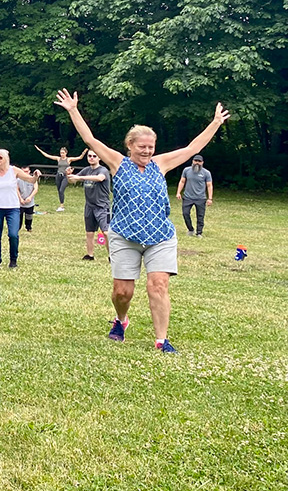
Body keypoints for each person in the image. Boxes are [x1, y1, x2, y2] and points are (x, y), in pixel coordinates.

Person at [55, 89, 229, 353]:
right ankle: (121, 320)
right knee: (122, 292)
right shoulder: (118, 163)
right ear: (130, 146)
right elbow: (90, 139)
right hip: (124, 234)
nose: (147, 151)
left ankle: (161, 340)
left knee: (158, 284)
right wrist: (73, 110)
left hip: (160, 235)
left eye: (151, 147)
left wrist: (215, 123)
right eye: (142, 146)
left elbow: (193, 148)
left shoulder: (161, 164)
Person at [68, 150, 110, 259]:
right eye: (89, 156)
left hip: (102, 207)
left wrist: (80, 178)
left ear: (99, 157)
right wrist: (69, 175)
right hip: (89, 206)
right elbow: (73, 180)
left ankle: (112, 256)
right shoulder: (86, 170)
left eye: (94, 156)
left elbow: (100, 178)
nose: (91, 158)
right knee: (89, 233)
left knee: (106, 232)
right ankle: (90, 255)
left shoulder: (103, 170)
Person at [33, 144, 87, 211]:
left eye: (63, 153)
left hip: (65, 176)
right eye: (61, 153)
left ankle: (62, 206)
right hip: (58, 176)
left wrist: (84, 152)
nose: (61, 154)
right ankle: (61, 204)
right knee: (59, 191)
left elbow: (79, 157)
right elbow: (48, 156)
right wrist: (40, 150)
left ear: (66, 153)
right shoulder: (58, 159)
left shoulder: (69, 159)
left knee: (61, 190)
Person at [176, 155, 213, 237]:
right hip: (187, 197)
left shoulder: (206, 173)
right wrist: (178, 192)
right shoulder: (186, 170)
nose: (197, 163)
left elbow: (209, 185)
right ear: (192, 161)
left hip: (200, 198)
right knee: (185, 214)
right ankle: (190, 229)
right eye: (195, 161)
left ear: (202, 163)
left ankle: (199, 233)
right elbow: (182, 181)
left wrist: (210, 198)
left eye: (199, 161)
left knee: (200, 216)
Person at [17, 166, 39, 232]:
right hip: (20, 202)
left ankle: (29, 228)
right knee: (19, 216)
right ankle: (17, 228)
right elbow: (16, 189)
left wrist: (30, 197)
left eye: (26, 171)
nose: (25, 173)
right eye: (23, 171)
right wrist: (20, 199)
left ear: (29, 171)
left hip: (30, 202)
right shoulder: (18, 179)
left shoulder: (32, 179)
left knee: (29, 216)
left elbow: (36, 189)